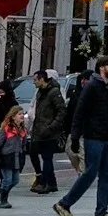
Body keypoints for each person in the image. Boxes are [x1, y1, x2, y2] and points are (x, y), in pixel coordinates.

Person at [55, 56, 108, 216]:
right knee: (90, 172)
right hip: (94, 137)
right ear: (101, 68)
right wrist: (75, 136)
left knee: (106, 176)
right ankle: (64, 203)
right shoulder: (91, 87)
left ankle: (101, 211)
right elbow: (79, 113)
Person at [27, 66, 68, 194]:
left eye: (35, 80)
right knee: (35, 153)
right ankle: (51, 183)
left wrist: (52, 126)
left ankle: (44, 183)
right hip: (39, 130)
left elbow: (61, 111)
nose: (33, 82)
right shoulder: (40, 92)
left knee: (47, 158)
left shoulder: (54, 92)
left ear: (42, 79)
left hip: (49, 132)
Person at [0, 96, 28, 207]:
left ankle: (2, 194)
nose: (22, 116)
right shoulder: (6, 128)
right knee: (7, 179)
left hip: (16, 157)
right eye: (19, 114)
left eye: (22, 114)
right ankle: (4, 200)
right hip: (6, 157)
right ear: (13, 116)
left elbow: (24, 145)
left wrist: (23, 155)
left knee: (15, 180)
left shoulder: (22, 129)